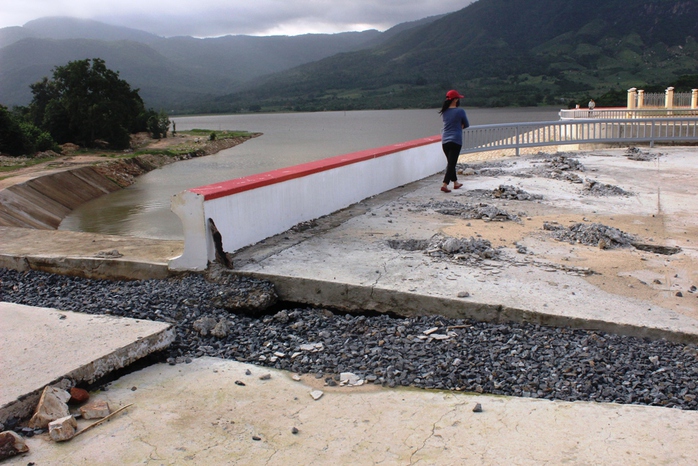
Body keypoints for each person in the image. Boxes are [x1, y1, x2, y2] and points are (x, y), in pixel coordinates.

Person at [439, 89, 470, 193]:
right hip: (456, 140)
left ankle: (456, 183)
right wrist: (459, 126)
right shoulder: (460, 111)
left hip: (445, 141)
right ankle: (445, 184)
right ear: (456, 100)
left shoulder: (444, 111)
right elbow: (466, 124)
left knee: (450, 163)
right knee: (452, 164)